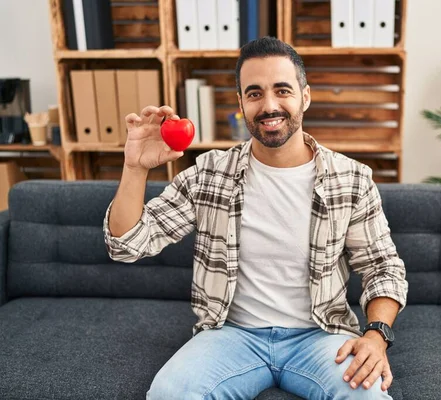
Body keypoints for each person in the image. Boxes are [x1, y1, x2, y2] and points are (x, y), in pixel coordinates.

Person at [103, 36, 408, 399]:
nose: (269, 105)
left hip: (320, 336)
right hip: (232, 335)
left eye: (282, 90)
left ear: (305, 97)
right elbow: (127, 244)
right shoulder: (210, 174)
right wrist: (134, 167)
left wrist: (376, 335)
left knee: (367, 397)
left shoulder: (351, 179)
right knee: (169, 394)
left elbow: (383, 268)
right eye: (254, 93)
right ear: (241, 103)